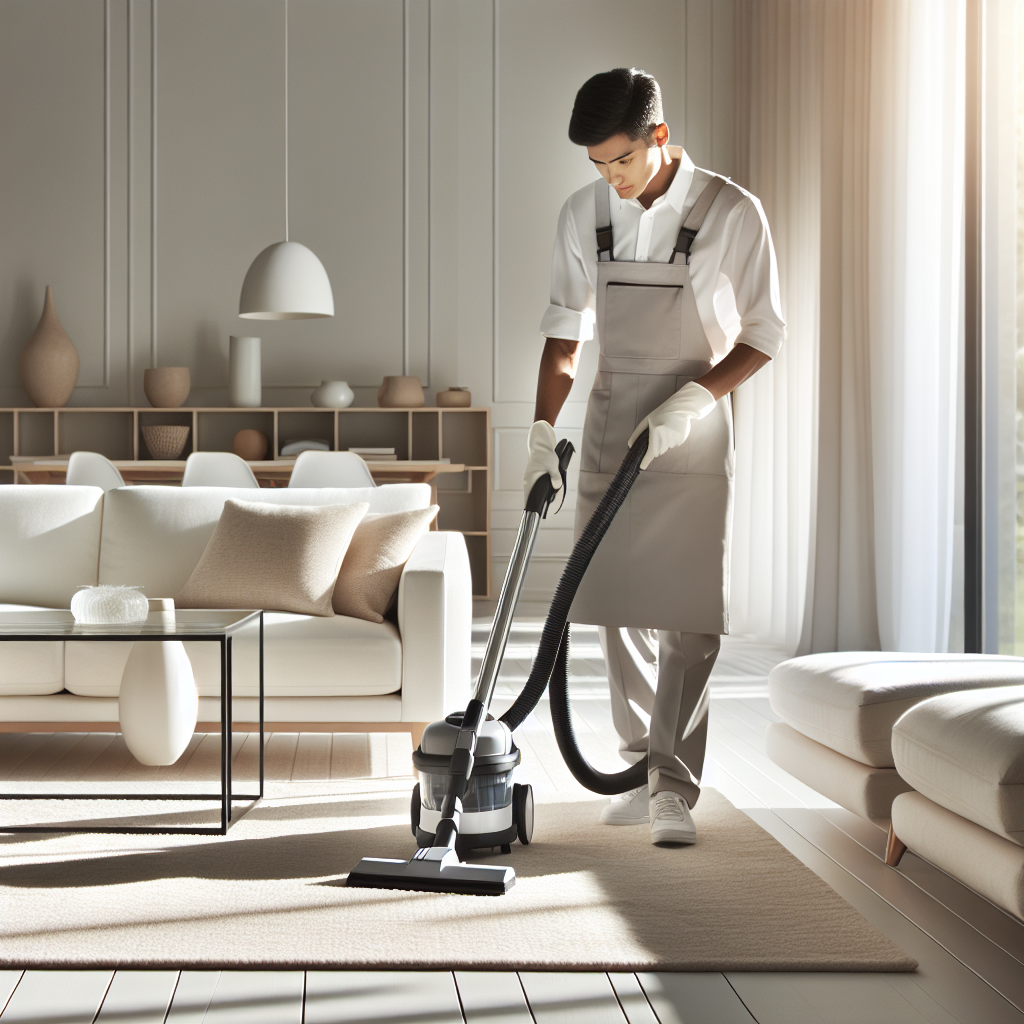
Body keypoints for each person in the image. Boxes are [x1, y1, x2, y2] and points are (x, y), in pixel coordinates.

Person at [524, 68, 784, 846]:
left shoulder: (731, 213)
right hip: (611, 430)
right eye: (598, 166)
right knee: (613, 606)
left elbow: (765, 334)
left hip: (691, 428)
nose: (611, 178)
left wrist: (696, 399)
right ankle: (636, 764)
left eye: (622, 161)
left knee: (689, 613)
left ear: (659, 138)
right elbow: (565, 336)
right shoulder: (583, 214)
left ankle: (674, 784)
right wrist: (542, 434)